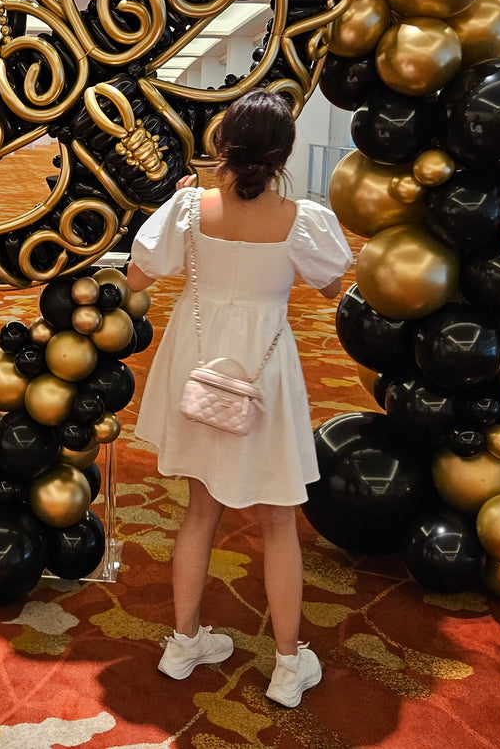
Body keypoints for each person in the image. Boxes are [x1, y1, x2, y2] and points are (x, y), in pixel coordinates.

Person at [126, 89, 351, 708]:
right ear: (282, 155)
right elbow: (334, 287)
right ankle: (286, 663)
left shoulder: (188, 210)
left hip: (197, 369)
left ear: (222, 145)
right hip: (263, 370)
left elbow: (139, 277)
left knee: (200, 508)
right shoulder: (301, 219)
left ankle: (183, 640)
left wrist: (179, 204)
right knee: (278, 519)